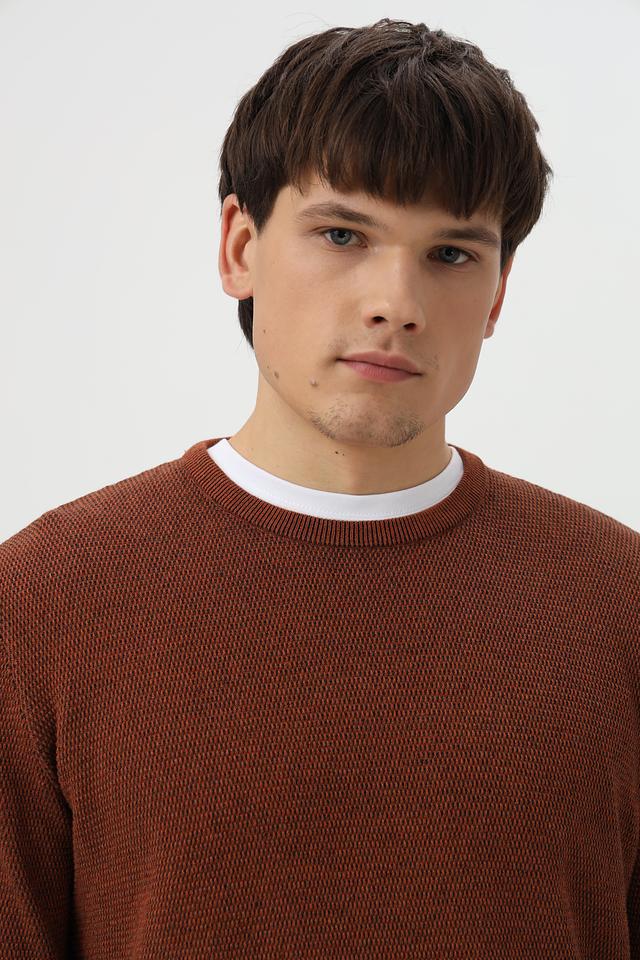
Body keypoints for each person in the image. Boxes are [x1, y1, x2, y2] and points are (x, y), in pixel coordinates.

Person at [1, 17, 639, 959]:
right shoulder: (45, 601)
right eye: (343, 234)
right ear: (239, 246)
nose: (397, 304)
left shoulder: (618, 602)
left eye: (452, 254)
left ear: (499, 294)